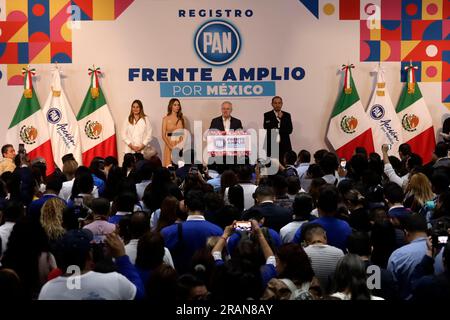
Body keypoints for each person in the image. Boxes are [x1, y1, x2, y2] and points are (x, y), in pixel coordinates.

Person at [263, 96, 293, 161]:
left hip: (285, 145)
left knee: (284, 165)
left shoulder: (287, 115)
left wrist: (281, 120)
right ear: (272, 104)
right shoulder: (267, 115)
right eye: (275, 103)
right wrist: (278, 119)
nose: (277, 105)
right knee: (272, 166)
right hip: (271, 145)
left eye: (279, 103)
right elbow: (267, 127)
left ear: (282, 104)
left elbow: (289, 130)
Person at [162, 98, 186, 167]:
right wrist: (170, 147)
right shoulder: (165, 119)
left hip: (179, 145)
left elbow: (183, 134)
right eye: (175, 105)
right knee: (169, 166)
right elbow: (163, 135)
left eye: (178, 105)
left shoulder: (181, 119)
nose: (177, 106)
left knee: (180, 166)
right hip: (170, 145)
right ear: (171, 106)